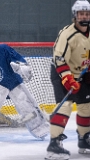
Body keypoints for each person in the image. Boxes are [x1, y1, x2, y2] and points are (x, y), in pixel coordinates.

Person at [45, 0, 90, 159]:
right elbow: (59, 59)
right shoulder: (67, 34)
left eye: (87, 13)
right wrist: (68, 79)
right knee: (65, 105)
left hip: (83, 75)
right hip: (62, 73)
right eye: (81, 14)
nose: (84, 16)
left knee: (87, 106)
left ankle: (84, 140)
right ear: (75, 16)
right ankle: (54, 144)